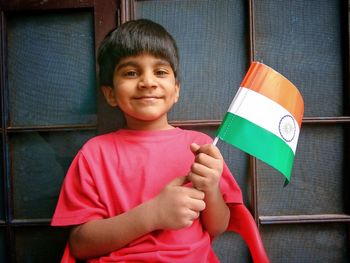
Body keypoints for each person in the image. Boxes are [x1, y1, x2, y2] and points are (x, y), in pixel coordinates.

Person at [51, 19, 243, 262]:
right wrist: (153, 214)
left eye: (160, 72)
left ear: (176, 91)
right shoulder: (94, 154)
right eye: (131, 73)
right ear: (110, 93)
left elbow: (218, 227)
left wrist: (211, 188)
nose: (148, 82)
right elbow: (80, 245)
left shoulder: (201, 148)